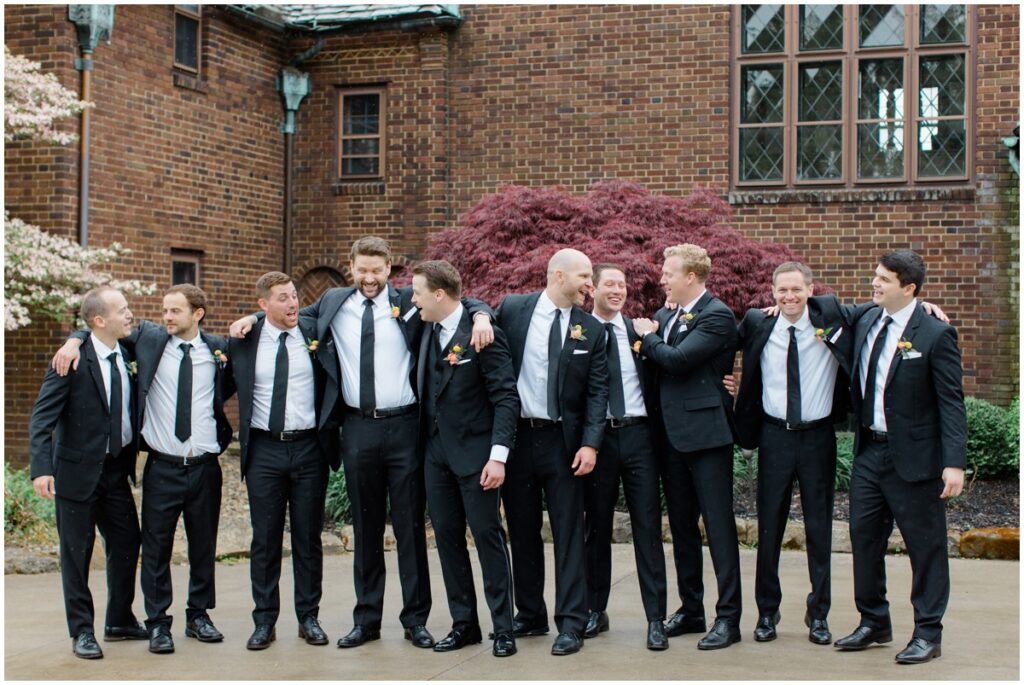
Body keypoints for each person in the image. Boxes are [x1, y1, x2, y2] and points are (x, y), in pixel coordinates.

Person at [228, 236, 494, 650]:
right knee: (366, 528)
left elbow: (458, 303)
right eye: (362, 270)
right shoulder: (333, 303)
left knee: (408, 528)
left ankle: (415, 619)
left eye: (377, 270)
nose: (369, 278)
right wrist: (250, 317)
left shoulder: (412, 302)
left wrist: (481, 316)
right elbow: (284, 315)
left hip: (406, 427)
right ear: (350, 266)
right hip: (356, 429)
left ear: (390, 268)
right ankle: (366, 619)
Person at [50, 285, 234, 654]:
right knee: (154, 548)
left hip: (205, 467)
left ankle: (198, 615)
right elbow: (100, 328)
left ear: (197, 314)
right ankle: (157, 623)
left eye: (175, 311)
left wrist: (254, 317)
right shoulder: (149, 340)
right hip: (161, 467)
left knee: (203, 545)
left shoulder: (220, 349)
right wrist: (75, 338)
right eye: (163, 310)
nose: (166, 317)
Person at [835, 250, 966, 665]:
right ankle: (874, 621)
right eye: (875, 276)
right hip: (869, 452)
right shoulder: (867, 318)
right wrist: (778, 301)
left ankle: (928, 632)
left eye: (884, 280)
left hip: (915, 459)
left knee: (925, 547)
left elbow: (951, 403)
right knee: (864, 539)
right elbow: (820, 306)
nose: (874, 284)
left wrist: (954, 462)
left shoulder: (935, 334)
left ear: (908, 288)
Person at [731, 262, 868, 646]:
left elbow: (877, 308)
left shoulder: (831, 317)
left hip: (817, 438)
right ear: (772, 292)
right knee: (769, 528)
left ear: (810, 289)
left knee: (818, 528)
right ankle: (766, 611)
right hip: (774, 437)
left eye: (795, 290)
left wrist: (924, 306)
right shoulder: (759, 322)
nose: (788, 297)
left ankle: (818, 613)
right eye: (781, 291)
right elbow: (718, 340)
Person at [494, 248, 609, 656]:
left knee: (568, 534)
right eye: (584, 276)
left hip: (565, 444)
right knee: (522, 531)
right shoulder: (513, 309)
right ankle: (530, 614)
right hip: (519, 439)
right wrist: (475, 315)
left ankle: (572, 623)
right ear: (558, 276)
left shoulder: (591, 330)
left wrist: (591, 443)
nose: (590, 284)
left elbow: (598, 394)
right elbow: (474, 311)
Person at [632, 243, 741, 650]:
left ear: (691, 277)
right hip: (669, 439)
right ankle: (692, 609)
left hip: (708, 438)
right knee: (680, 527)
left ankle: (728, 618)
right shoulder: (663, 316)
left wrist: (647, 339)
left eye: (669, 273)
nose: (662, 278)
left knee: (718, 526)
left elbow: (677, 360)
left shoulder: (716, 315)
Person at [29, 286, 147, 659]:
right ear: (100, 320)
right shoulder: (71, 362)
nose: (130, 314)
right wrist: (41, 469)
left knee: (128, 542)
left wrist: (76, 336)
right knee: (76, 554)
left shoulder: (128, 351)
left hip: (115, 471)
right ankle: (82, 630)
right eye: (122, 309)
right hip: (76, 473)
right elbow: (41, 419)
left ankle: (119, 620)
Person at [410, 260, 520, 658]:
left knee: (488, 539)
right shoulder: (424, 327)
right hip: (435, 456)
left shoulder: (485, 335)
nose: (413, 299)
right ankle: (464, 624)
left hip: (477, 457)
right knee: (447, 541)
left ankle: (504, 627)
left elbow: (506, 397)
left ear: (438, 294)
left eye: (418, 292)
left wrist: (498, 457)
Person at [223, 272, 339, 651]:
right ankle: (264, 621)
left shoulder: (312, 330)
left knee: (308, 538)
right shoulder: (244, 340)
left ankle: (309, 617)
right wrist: (251, 322)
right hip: (265, 451)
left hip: (309, 449)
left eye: (294, 296)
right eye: (283, 299)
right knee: (266, 539)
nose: (292, 304)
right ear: (263, 305)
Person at [583, 263, 668, 650]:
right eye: (609, 284)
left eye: (622, 285)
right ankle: (594, 611)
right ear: (594, 289)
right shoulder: (579, 330)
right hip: (598, 440)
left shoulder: (641, 330)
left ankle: (655, 619)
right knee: (596, 528)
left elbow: (674, 365)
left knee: (647, 528)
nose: (617, 290)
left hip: (638, 437)